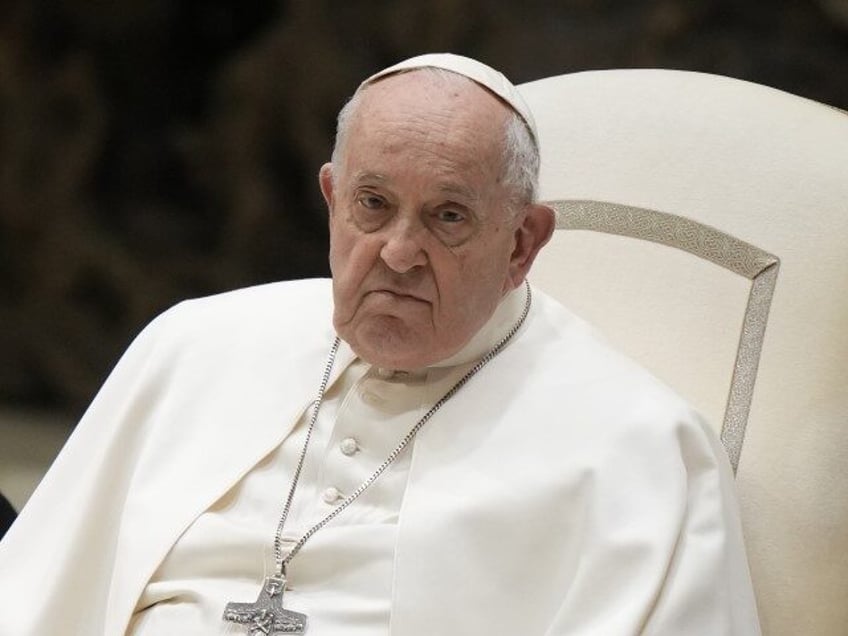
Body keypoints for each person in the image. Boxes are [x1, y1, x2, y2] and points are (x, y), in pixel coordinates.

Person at [0, 53, 760, 635]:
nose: (399, 251)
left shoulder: (644, 450)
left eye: (448, 217)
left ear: (523, 242)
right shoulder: (194, 346)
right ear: (333, 200)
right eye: (374, 204)